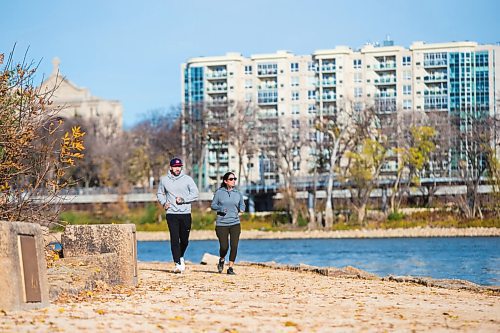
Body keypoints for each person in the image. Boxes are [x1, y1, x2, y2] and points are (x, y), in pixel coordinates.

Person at [157, 158, 199, 273]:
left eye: (179, 166)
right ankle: (177, 263)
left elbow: (195, 194)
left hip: (185, 213)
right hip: (171, 213)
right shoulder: (164, 180)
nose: (177, 168)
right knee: (174, 239)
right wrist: (164, 203)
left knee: (184, 240)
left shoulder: (187, 179)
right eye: (175, 167)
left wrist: (184, 200)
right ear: (171, 167)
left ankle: (180, 256)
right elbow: (160, 193)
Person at [211, 172, 245, 275]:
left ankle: (230, 268)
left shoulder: (238, 193)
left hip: (235, 223)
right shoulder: (219, 192)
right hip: (222, 224)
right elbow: (213, 205)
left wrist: (242, 209)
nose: (233, 180)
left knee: (234, 246)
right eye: (231, 179)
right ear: (225, 181)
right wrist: (221, 208)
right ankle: (222, 259)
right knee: (224, 247)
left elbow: (242, 204)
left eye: (235, 178)